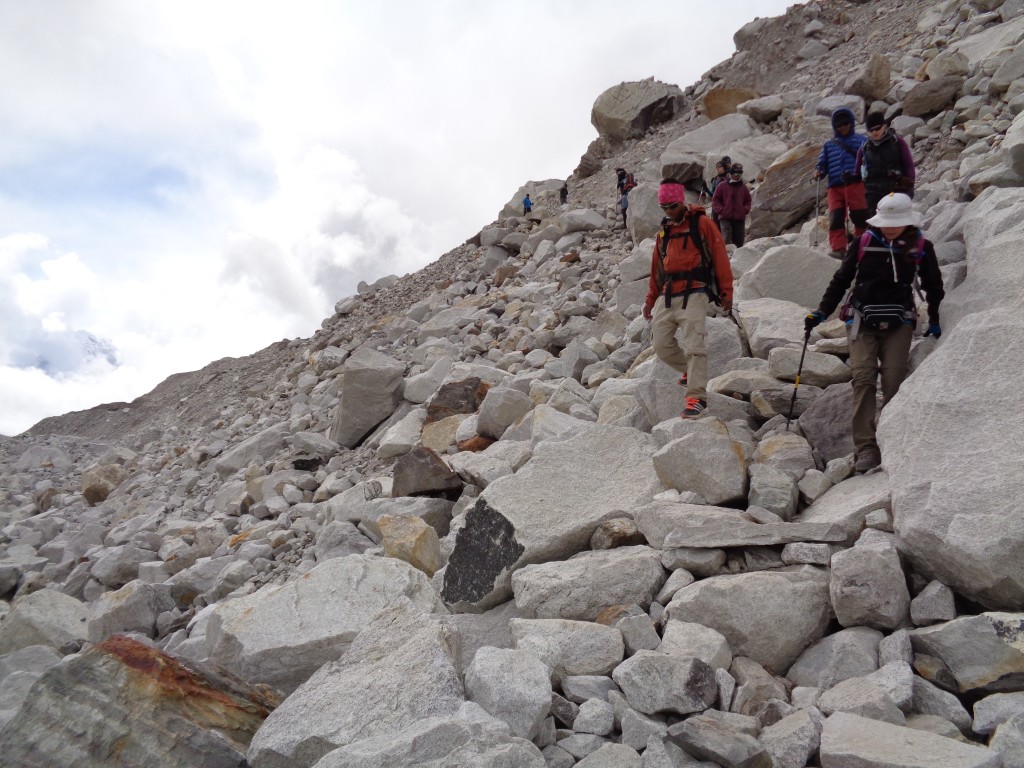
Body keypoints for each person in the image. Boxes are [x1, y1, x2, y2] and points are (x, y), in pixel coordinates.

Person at [804, 193, 944, 472]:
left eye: (897, 222)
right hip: (861, 320)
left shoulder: (921, 246)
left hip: (900, 320)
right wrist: (821, 311)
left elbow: (933, 285)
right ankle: (866, 447)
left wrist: (936, 319)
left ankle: (892, 437)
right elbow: (842, 279)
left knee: (894, 380)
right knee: (863, 378)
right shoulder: (863, 243)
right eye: (887, 222)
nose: (890, 227)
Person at [643, 179, 735, 418]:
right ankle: (690, 372)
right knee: (661, 346)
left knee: (695, 346)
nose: (668, 212)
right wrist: (650, 299)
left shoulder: (702, 223)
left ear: (682, 203)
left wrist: (727, 292)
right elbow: (657, 269)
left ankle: (696, 398)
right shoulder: (664, 232)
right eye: (664, 207)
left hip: (695, 291)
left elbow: (720, 256)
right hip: (669, 293)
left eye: (672, 206)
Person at [815, 107, 869, 256]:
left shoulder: (862, 141)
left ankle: (862, 245)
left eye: (846, 124)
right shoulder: (828, 145)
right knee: (836, 218)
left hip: (856, 184)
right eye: (839, 125)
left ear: (851, 123)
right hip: (835, 187)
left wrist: (863, 176)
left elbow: (869, 162)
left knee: (860, 216)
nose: (843, 127)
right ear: (835, 127)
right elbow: (822, 164)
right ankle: (838, 248)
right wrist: (819, 170)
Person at [856, 111, 916, 219]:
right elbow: (857, 174)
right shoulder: (863, 149)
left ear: (884, 126)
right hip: (873, 197)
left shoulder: (897, 142)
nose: (874, 132)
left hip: (896, 192)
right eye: (871, 130)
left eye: (877, 128)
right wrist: (850, 178)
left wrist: (907, 184)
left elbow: (909, 166)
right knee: (877, 228)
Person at [711, 163, 752, 247]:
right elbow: (715, 200)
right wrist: (722, 210)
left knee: (739, 243)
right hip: (725, 218)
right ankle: (726, 259)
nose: (737, 175)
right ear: (730, 173)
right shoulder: (721, 186)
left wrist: (744, 210)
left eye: (740, 173)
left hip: (739, 219)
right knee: (727, 241)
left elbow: (748, 201)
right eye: (735, 173)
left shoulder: (743, 187)